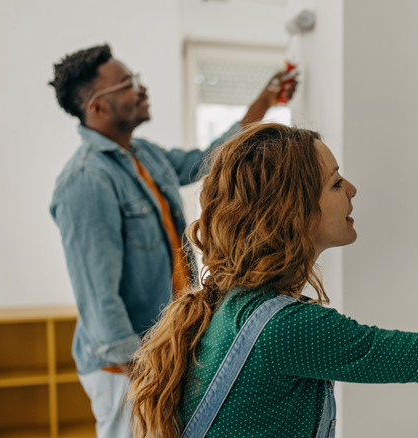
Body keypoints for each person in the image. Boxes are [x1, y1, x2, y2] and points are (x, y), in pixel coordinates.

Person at [128, 123, 418, 438]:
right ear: (294, 211)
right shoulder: (286, 328)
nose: (352, 190)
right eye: (334, 183)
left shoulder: (230, 303)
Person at [48, 44, 297, 438]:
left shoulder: (144, 155)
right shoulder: (86, 181)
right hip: (124, 365)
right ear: (97, 107)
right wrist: (146, 373)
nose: (141, 89)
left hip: (160, 351)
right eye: (127, 84)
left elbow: (212, 156)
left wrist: (264, 101)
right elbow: (100, 300)